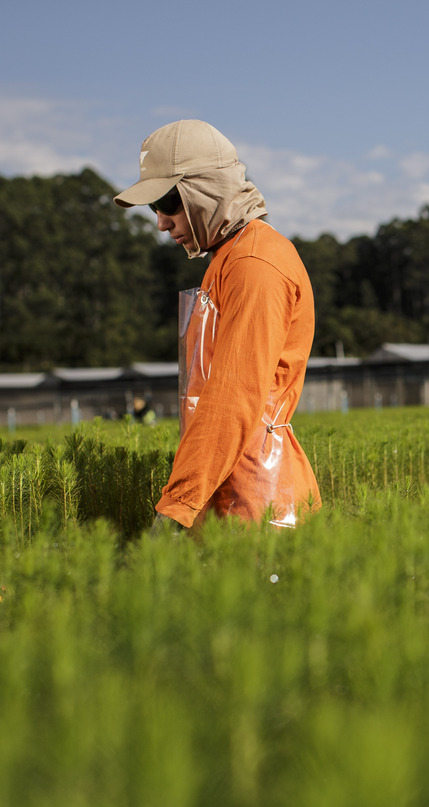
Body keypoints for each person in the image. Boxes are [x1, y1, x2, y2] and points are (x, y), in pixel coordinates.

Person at [114, 119, 321, 528]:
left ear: (205, 190)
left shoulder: (253, 265)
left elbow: (233, 397)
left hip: (259, 508)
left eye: (169, 203)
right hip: (231, 494)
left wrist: (177, 507)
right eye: (154, 208)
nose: (160, 222)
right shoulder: (228, 259)